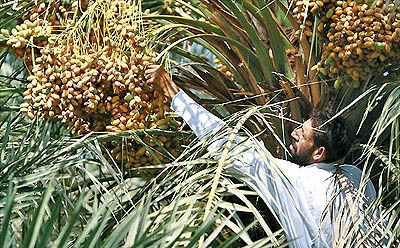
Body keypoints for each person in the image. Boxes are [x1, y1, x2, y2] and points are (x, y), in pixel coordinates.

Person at [144, 65, 379, 247]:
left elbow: (229, 144)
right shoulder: (357, 178)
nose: (294, 132)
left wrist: (170, 90)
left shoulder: (298, 181)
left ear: (319, 152)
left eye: (303, 133)